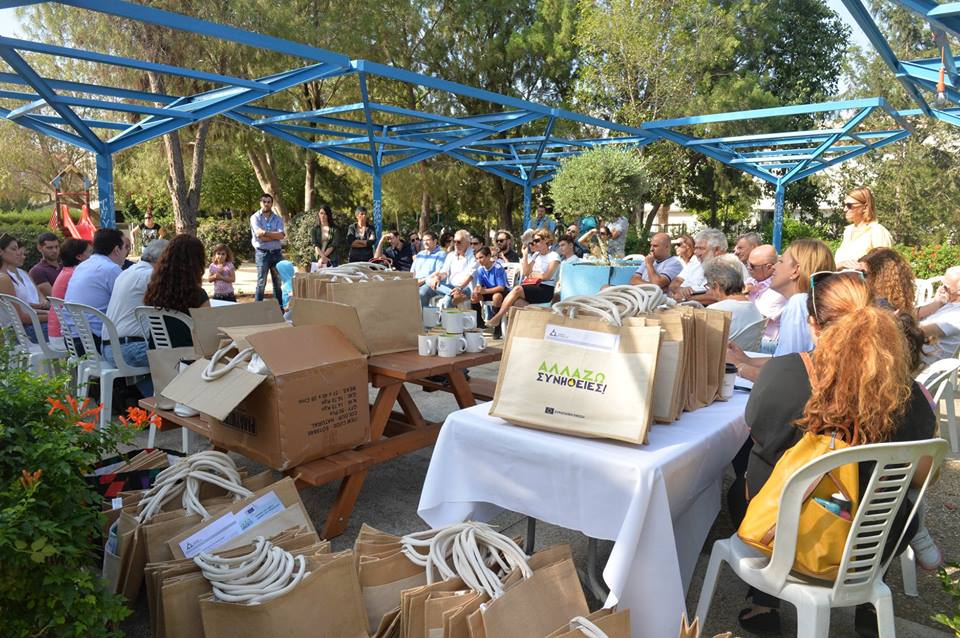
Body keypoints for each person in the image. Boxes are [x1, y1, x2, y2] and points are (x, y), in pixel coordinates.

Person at [731, 272, 936, 636]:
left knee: (745, 480)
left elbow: (760, 437)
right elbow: (922, 475)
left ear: (812, 323)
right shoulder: (910, 393)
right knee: (877, 495)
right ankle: (867, 605)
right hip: (877, 545)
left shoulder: (787, 373)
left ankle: (764, 601)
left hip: (795, 544)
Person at [727, 238, 836, 381]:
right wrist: (747, 360)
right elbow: (786, 360)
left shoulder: (798, 303)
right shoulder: (806, 302)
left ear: (796, 270)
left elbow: (785, 374)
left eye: (781, 261)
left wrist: (738, 367)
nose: (774, 267)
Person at [103, 238, 169, 397]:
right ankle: (167, 406)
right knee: (183, 357)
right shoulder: (151, 276)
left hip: (108, 348)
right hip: (129, 349)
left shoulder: (126, 273)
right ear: (163, 260)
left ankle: (150, 405)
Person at [143, 235, 210, 348]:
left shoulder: (153, 291)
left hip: (159, 357)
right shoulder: (198, 296)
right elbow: (206, 333)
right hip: (190, 359)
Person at [64, 228, 126, 349]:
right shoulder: (111, 269)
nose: (126, 252)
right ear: (117, 250)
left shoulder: (81, 266)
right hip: (94, 342)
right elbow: (127, 305)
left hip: (71, 339)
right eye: (125, 247)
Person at [486, 229, 560, 327]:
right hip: (533, 286)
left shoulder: (554, 256)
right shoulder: (536, 255)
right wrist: (525, 255)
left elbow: (547, 276)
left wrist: (534, 274)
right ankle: (536, 321)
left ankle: (497, 317)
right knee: (515, 302)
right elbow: (526, 272)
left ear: (546, 240)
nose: (534, 243)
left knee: (517, 289)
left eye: (537, 240)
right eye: (533, 241)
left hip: (545, 289)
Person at [0, 234, 49, 341]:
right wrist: (53, 317)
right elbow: (22, 318)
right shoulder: (3, 279)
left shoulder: (8, 276)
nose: (18, 253)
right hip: (21, 333)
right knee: (73, 328)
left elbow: (24, 309)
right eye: (14, 249)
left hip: (22, 329)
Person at [703, 259, 763, 341]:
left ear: (716, 286)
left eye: (708, 287)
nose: (708, 292)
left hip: (722, 353)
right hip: (749, 353)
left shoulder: (716, 310)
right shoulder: (753, 307)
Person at [834, 187, 893, 268]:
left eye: (849, 205)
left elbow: (885, 267)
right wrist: (840, 265)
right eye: (844, 205)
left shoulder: (877, 231)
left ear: (865, 207)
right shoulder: (848, 231)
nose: (845, 209)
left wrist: (862, 267)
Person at [47, 238, 91, 348]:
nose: (93, 257)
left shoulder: (67, 271)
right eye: (90, 253)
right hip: (64, 334)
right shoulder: (76, 274)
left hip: (58, 330)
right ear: (79, 257)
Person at [746, 244, 786, 354]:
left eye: (753, 266)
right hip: (753, 339)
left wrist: (741, 297)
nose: (748, 268)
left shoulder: (777, 288)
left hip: (768, 343)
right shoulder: (751, 281)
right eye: (748, 264)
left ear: (769, 267)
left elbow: (757, 318)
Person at [421, 229, 476, 308]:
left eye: (459, 242)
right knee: (427, 283)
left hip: (465, 288)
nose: (456, 244)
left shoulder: (473, 255)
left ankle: (454, 294)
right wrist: (438, 278)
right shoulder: (451, 255)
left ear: (467, 243)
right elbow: (444, 272)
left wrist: (459, 288)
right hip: (449, 287)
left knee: (447, 301)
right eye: (454, 241)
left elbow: (471, 276)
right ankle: (423, 319)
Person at [917, 266, 960, 366]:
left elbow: (920, 332)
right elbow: (914, 314)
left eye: (945, 287)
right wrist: (935, 304)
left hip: (924, 366)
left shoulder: (957, 315)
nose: (941, 289)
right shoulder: (945, 300)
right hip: (913, 354)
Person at [670, 228, 728, 299]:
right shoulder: (696, 262)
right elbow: (674, 284)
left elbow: (718, 296)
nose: (695, 252)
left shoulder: (730, 266)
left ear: (717, 250)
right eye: (695, 248)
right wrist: (681, 290)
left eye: (701, 248)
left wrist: (686, 298)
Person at [250, 192, 285, 309]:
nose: (266, 204)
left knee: (278, 283)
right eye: (264, 201)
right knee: (261, 283)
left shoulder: (278, 218)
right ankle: (257, 310)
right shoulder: (254, 218)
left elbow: (281, 235)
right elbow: (259, 235)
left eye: (269, 202)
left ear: (272, 204)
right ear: (260, 203)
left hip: (276, 254)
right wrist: (273, 235)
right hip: (262, 254)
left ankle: (279, 310)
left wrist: (265, 233)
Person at [858, 247, 916, 317]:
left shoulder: (879, 305)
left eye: (863, 273)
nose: (859, 276)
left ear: (877, 276)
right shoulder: (898, 301)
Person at [471, 246, 509, 338]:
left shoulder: (498, 267)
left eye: (481, 257)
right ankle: (479, 323)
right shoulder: (480, 269)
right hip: (488, 291)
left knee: (496, 297)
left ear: (488, 256)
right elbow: (479, 285)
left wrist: (484, 291)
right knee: (474, 297)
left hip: (503, 292)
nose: (479, 260)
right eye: (477, 258)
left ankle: (498, 326)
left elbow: (501, 287)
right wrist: (477, 290)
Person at [412, 231, 446, 296]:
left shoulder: (441, 254)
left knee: (421, 293)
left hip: (429, 283)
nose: (425, 242)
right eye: (423, 240)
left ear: (435, 241)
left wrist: (422, 281)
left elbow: (438, 272)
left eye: (428, 240)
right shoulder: (420, 254)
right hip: (415, 283)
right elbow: (412, 271)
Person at [29, 232, 61, 297]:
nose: (55, 250)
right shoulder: (37, 271)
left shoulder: (64, 266)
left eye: (56, 247)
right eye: (49, 248)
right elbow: (54, 298)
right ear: (40, 248)